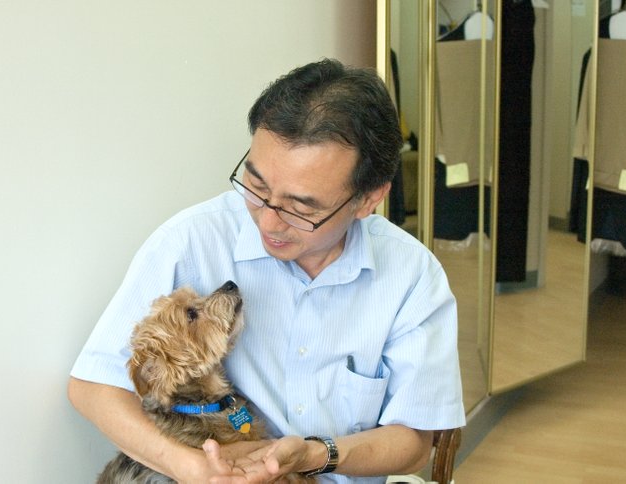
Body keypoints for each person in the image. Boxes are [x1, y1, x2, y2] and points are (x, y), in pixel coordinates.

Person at [68, 58, 465, 483]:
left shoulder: (411, 275)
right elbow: (93, 387)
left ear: (368, 200)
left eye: (300, 208)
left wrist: (317, 455)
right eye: (256, 187)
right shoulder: (190, 240)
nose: (268, 223)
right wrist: (188, 466)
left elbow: (413, 444)